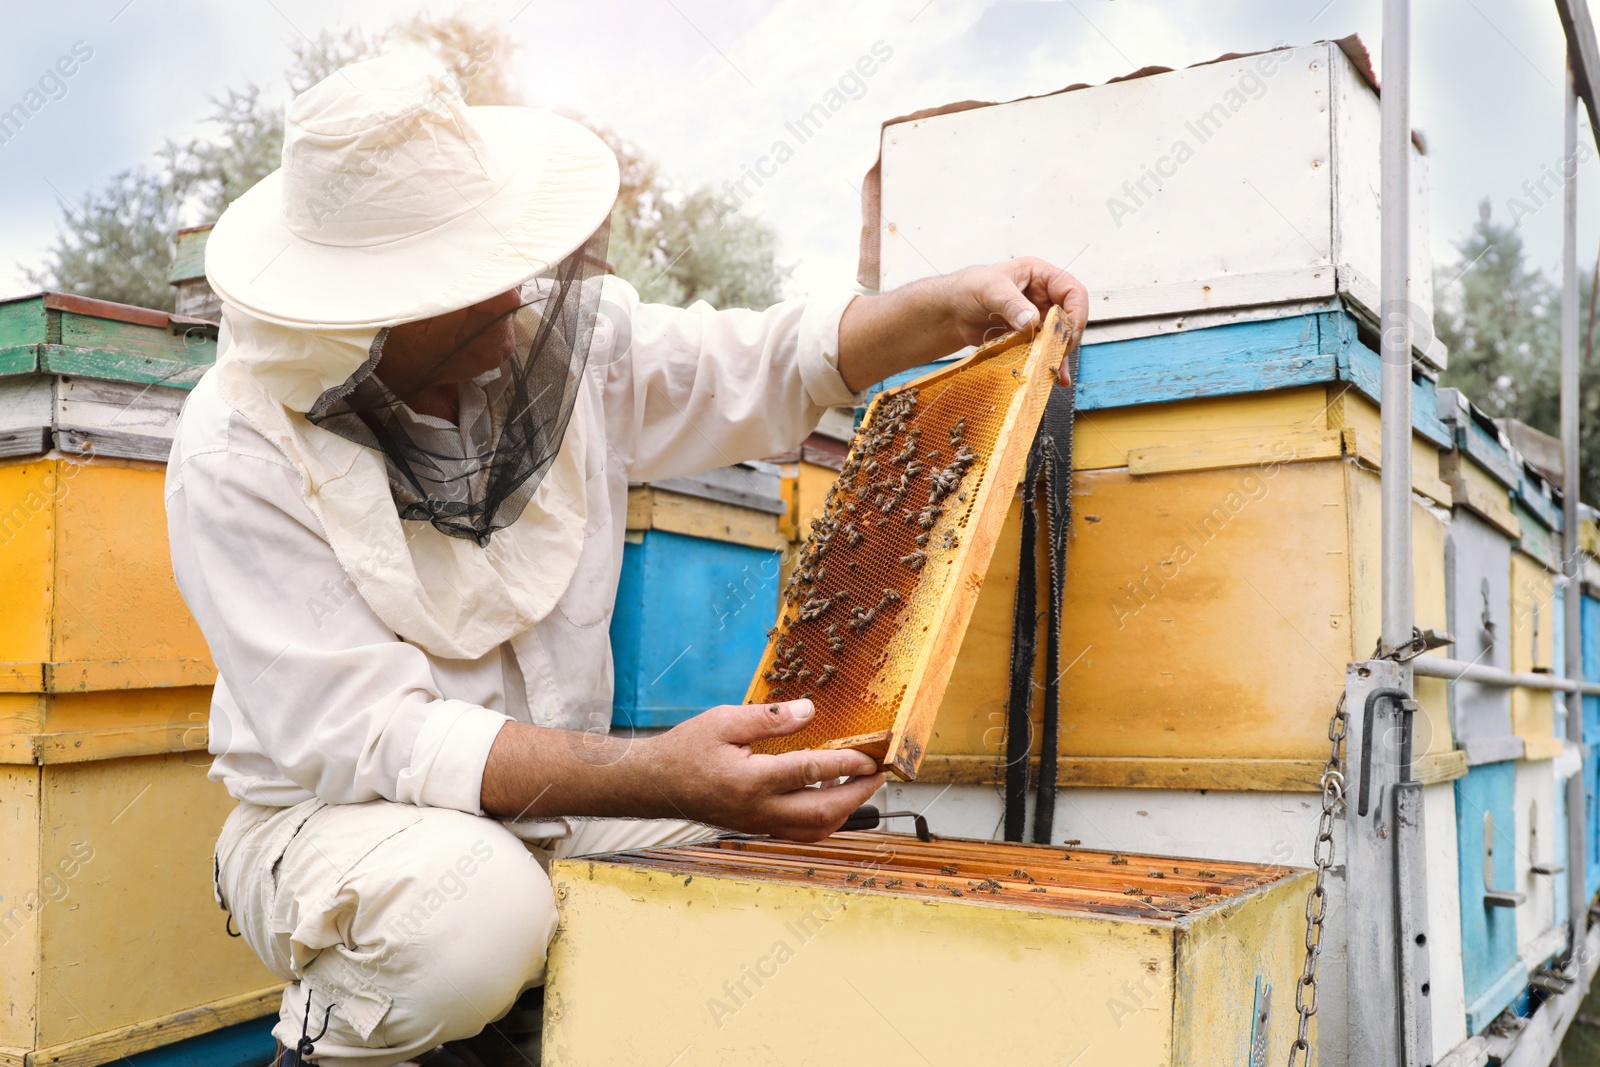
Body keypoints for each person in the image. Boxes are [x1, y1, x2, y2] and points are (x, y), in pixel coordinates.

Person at [167, 49, 1088, 1067]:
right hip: (340, 826)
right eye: (465, 275)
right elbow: (376, 738)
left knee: (793, 840)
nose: (510, 291)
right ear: (367, 307)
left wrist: (941, 305)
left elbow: (762, 363)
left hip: (558, 810)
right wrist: (653, 774)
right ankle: (325, 1044)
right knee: (467, 921)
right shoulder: (235, 447)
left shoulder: (558, 349)